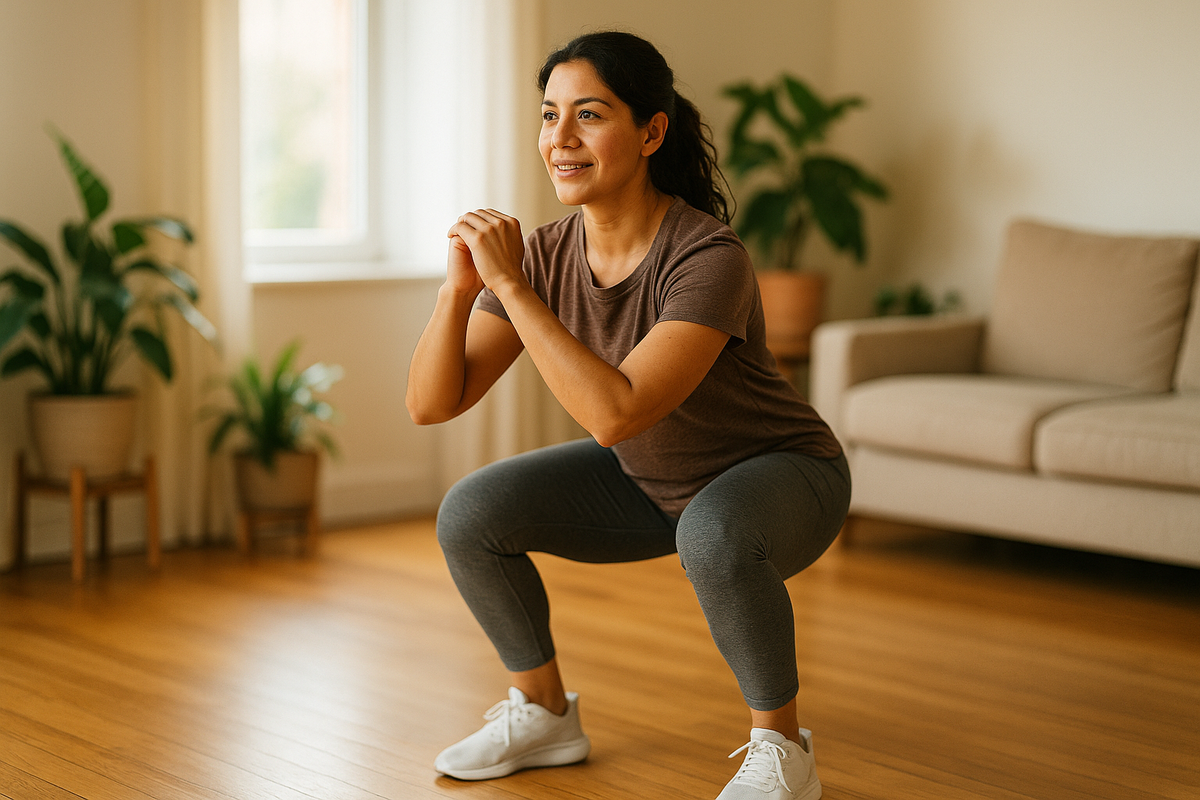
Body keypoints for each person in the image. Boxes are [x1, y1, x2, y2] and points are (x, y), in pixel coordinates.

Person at [406, 30, 849, 800]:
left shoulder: (707, 257)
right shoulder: (542, 256)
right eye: (549, 116)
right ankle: (544, 714)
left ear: (651, 132)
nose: (561, 140)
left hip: (782, 476)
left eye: (589, 115)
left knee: (713, 533)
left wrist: (512, 290)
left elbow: (617, 414)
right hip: (654, 484)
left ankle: (782, 749)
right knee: (471, 512)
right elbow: (432, 403)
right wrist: (458, 290)